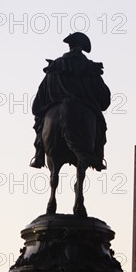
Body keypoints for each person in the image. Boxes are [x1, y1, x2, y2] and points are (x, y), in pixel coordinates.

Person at [30, 32, 111, 170]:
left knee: (40, 121)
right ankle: (97, 158)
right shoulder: (90, 68)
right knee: (100, 126)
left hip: (55, 105)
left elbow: (37, 103)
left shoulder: (55, 67)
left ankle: (39, 155)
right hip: (83, 107)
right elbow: (105, 100)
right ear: (82, 48)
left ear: (69, 47)